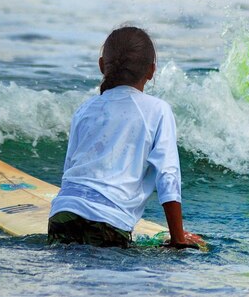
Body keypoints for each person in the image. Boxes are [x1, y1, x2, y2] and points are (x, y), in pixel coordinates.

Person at [48, 26, 204, 249]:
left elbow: (70, 170)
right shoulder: (157, 110)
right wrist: (178, 240)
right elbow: (168, 175)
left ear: (102, 65)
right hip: (110, 222)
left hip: (62, 214)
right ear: (151, 71)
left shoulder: (84, 109)